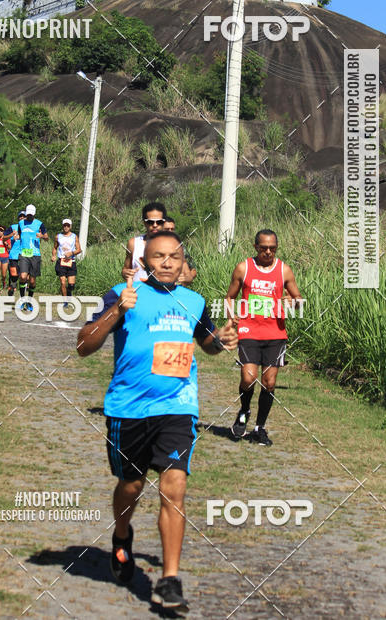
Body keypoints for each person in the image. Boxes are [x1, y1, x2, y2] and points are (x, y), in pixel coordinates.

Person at [78, 230, 238, 613]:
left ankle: (169, 580)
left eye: (174, 257)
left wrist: (222, 339)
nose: (167, 262)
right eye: (158, 256)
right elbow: (84, 346)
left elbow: (206, 341)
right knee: (131, 486)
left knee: (175, 486)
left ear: (185, 266)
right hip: (128, 410)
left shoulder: (194, 301)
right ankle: (121, 535)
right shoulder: (121, 293)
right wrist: (119, 310)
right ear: (144, 262)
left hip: (178, 407)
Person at [225, 229, 303, 446]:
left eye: (272, 248)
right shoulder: (244, 268)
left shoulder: (283, 270)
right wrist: (232, 318)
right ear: (255, 247)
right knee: (248, 378)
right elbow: (230, 297)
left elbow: (298, 298)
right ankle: (244, 411)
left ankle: (260, 428)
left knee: (269, 383)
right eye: (263, 248)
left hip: (275, 334)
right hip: (250, 332)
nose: (268, 252)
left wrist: (292, 302)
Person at [14, 204, 49, 309]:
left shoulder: (39, 224)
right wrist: (17, 236)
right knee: (23, 276)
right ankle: (22, 300)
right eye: (28, 214)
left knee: (32, 281)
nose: (29, 216)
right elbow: (20, 235)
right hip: (24, 253)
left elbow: (47, 238)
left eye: (31, 215)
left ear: (34, 214)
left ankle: (29, 302)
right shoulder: (21, 223)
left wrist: (41, 236)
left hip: (35, 255)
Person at [121, 202, 166, 284]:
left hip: (163, 294)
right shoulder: (133, 244)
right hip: (138, 293)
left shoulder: (173, 245)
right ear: (144, 223)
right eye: (150, 222)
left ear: (164, 223)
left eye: (159, 222)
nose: (155, 225)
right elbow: (126, 269)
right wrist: (126, 273)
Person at [52, 219, 82, 303]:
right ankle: (65, 301)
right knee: (62, 282)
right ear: (62, 226)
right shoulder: (58, 236)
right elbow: (55, 247)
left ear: (70, 226)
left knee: (71, 285)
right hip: (61, 261)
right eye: (64, 225)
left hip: (71, 261)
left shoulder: (74, 236)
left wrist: (71, 253)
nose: (66, 227)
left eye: (68, 225)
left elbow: (79, 250)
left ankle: (68, 294)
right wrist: (53, 256)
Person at [163, 217, 197, 285]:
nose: (170, 231)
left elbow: (193, 271)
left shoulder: (180, 247)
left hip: (176, 289)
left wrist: (187, 278)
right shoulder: (150, 246)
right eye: (167, 229)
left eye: (172, 229)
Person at [6, 210, 26, 296]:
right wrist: (11, 235)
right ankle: (12, 285)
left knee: (23, 276)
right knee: (14, 275)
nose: (21, 218)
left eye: (23, 216)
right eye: (20, 216)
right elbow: (3, 237)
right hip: (13, 255)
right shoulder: (13, 227)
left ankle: (22, 295)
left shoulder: (29, 228)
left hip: (25, 254)